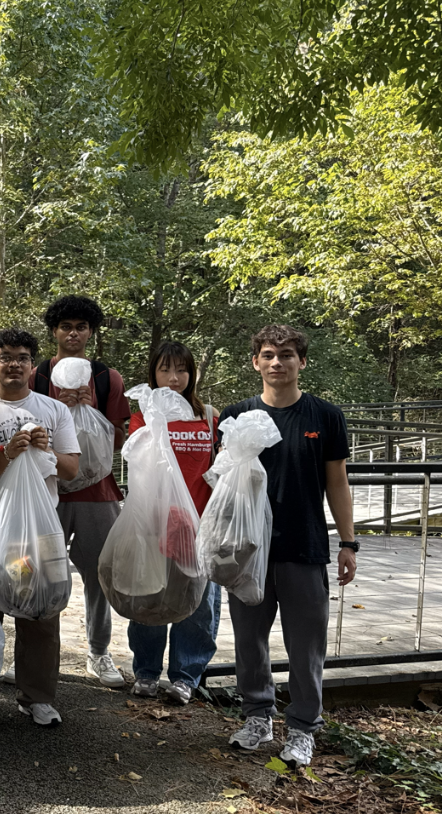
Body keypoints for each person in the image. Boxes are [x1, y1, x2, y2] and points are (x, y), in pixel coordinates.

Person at [221, 325, 356, 769]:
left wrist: (348, 542)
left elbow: (337, 482)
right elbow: (222, 483)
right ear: (255, 362)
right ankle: (257, 717)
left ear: (302, 361)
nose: (277, 362)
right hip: (247, 550)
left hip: (305, 545)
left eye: (286, 354)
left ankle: (302, 729)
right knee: (249, 640)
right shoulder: (237, 415)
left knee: (306, 645)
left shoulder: (325, 416)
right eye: (268, 354)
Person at [0, 329, 81, 727]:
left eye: (23, 357)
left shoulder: (53, 410)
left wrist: (46, 449)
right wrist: (7, 453)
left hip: (40, 531)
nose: (14, 364)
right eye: (5, 357)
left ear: (32, 366)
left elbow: (71, 469)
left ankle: (37, 697)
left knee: (41, 613)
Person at [30, 295, 131, 688]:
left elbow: (119, 439)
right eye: (66, 327)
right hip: (48, 489)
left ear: (91, 332)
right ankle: (38, 654)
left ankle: (99, 652)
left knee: (98, 572)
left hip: (97, 492)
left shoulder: (106, 378)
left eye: (81, 327)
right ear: (54, 331)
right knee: (39, 570)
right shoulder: (38, 376)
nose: (73, 334)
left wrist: (93, 412)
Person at [126, 341, 221, 706]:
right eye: (165, 369)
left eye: (181, 369)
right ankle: (146, 672)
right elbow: (138, 464)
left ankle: (185, 676)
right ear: (153, 374)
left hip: (201, 524)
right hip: (156, 524)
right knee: (151, 597)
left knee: (197, 604)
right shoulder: (145, 416)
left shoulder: (208, 416)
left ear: (191, 374)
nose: (173, 378)